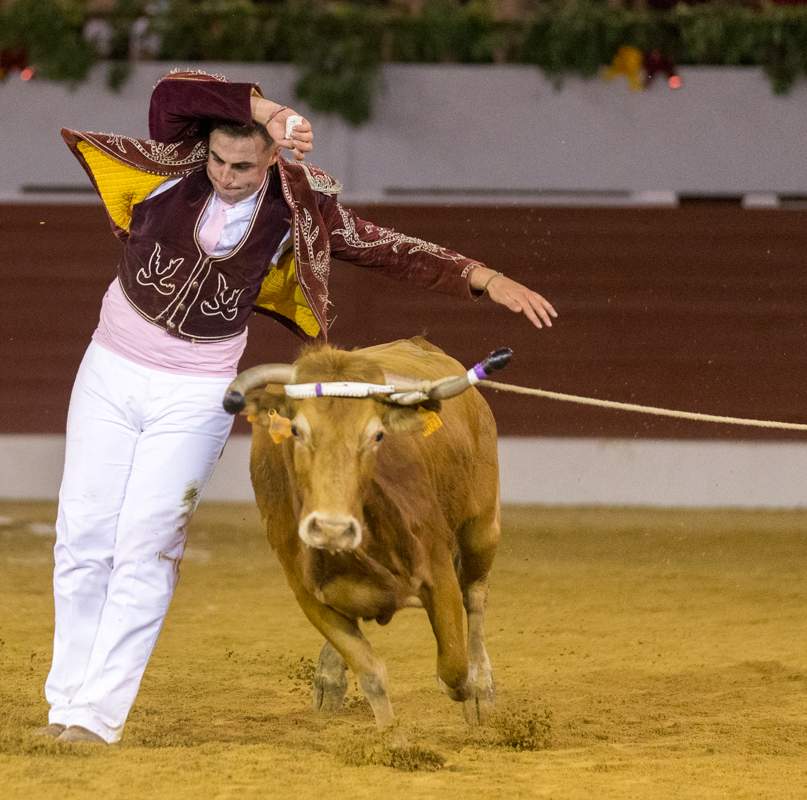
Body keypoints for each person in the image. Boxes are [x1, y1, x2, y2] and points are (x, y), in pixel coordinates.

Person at [36, 70, 557, 744]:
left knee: (148, 543)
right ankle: (63, 703)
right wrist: (267, 108)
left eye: (243, 166)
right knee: (81, 537)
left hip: (198, 386)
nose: (226, 175)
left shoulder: (297, 210)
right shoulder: (177, 159)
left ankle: (95, 719)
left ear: (273, 159)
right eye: (219, 160)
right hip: (109, 366)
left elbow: (386, 248)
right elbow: (173, 93)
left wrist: (481, 279)